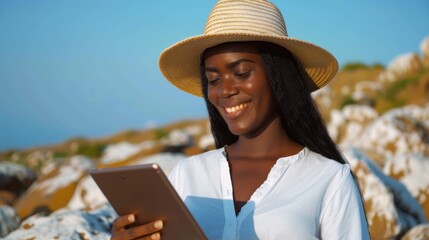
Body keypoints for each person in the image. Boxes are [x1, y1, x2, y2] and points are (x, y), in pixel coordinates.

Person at [111, 0, 370, 239]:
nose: (225, 90)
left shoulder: (330, 178)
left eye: (242, 72)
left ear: (278, 76)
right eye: (213, 80)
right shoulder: (188, 174)